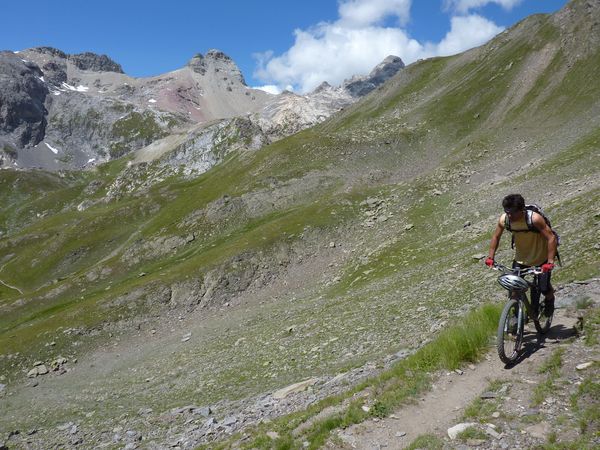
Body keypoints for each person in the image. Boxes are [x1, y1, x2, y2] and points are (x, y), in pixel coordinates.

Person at [485, 194, 557, 315]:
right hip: (521, 259)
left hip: (541, 259)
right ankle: (516, 317)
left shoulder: (534, 219)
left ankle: (550, 300)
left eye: (512, 212)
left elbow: (551, 238)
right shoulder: (505, 220)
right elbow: (496, 236)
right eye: (507, 212)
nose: (509, 215)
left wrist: (550, 262)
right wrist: (490, 257)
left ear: (522, 210)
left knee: (544, 288)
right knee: (514, 288)